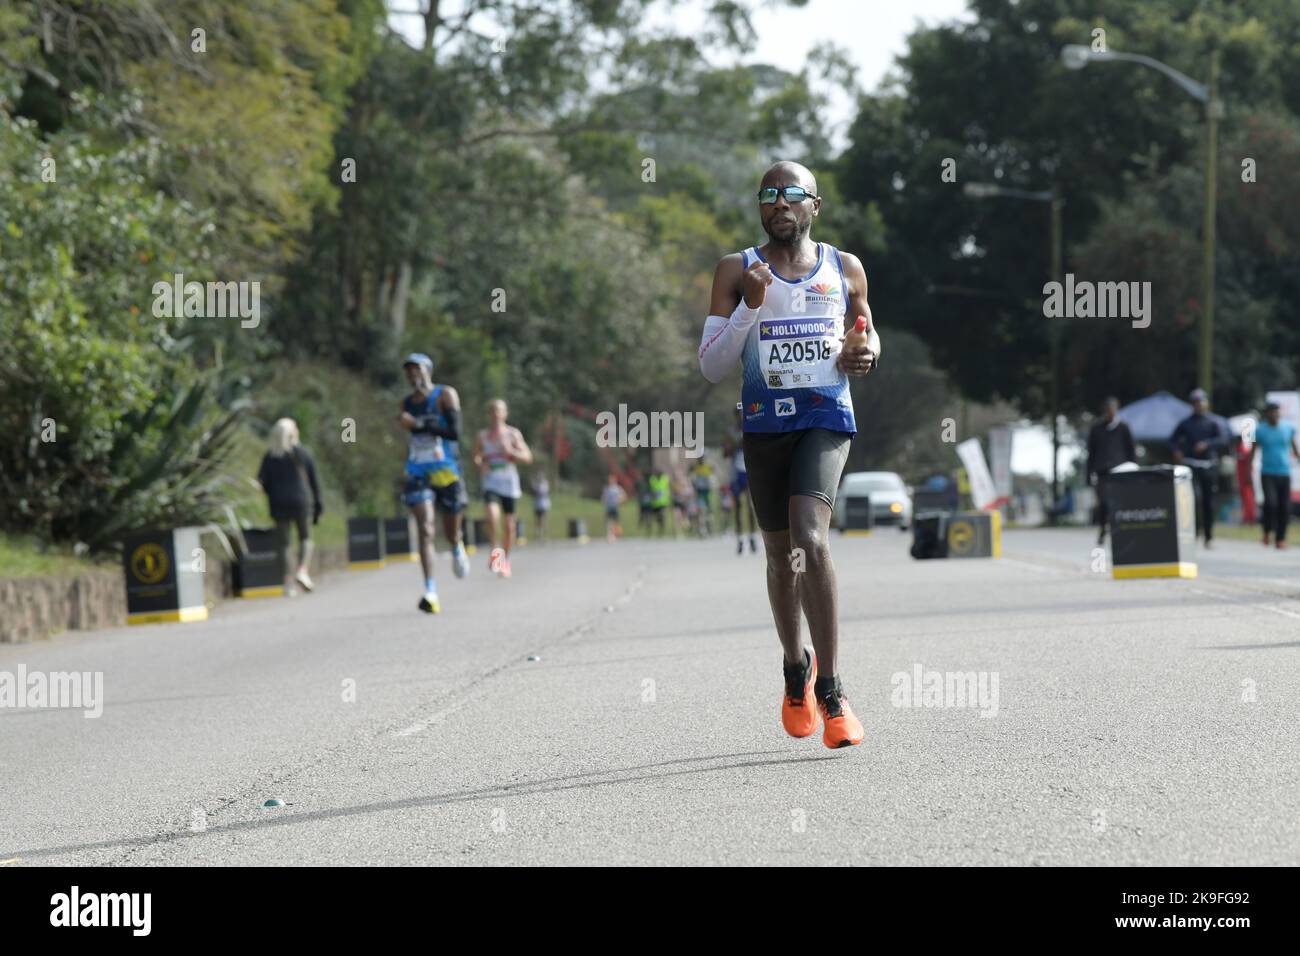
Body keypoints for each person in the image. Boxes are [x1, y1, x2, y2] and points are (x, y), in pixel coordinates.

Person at [698, 160, 879, 749]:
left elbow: (866, 332)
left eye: (792, 195)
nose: (780, 204)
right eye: (769, 196)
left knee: (812, 538)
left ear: (814, 206)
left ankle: (832, 691)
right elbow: (712, 366)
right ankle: (793, 669)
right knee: (781, 555)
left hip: (826, 417)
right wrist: (749, 307)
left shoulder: (844, 267)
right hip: (764, 424)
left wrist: (865, 352)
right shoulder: (736, 269)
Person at [397, 353, 469, 614]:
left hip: (446, 471)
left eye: (416, 369)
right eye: (408, 371)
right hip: (418, 471)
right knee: (425, 529)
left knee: (451, 530)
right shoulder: (405, 403)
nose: (412, 375)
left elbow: (455, 432)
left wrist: (418, 424)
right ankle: (430, 590)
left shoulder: (444, 395)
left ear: (428, 370)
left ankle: (456, 546)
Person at [256, 418, 322, 597]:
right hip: (301, 501)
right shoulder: (302, 453)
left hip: (278, 504)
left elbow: (262, 483)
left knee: (284, 544)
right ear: (293, 433)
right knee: (306, 538)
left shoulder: (270, 456)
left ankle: (288, 583)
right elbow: (314, 481)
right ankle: (302, 570)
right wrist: (318, 505)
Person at [473, 398, 533, 578]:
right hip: (491, 480)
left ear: (505, 414)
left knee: (509, 526)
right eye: (492, 410)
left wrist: (512, 452)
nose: (496, 414)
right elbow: (476, 456)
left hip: (508, 482)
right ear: (489, 414)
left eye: (499, 410)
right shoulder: (482, 436)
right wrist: (479, 463)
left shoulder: (513, 434)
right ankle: (495, 549)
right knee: (491, 515)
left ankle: (505, 561)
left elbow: (528, 457)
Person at [1171, 388, 1229, 548]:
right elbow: (1173, 439)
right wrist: (1177, 451)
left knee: (1208, 502)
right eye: (1195, 402)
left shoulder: (1213, 422)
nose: (1198, 405)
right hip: (1191, 465)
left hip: (1209, 466)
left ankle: (1209, 536)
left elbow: (1223, 439)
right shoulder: (1186, 423)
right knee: (1194, 499)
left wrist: (1207, 444)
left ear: (1206, 403)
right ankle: (1194, 533)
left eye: (1201, 401)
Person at [1085, 397, 1137, 545]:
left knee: (1120, 502)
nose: (1110, 413)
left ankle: (1119, 530)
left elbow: (1131, 451)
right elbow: (1091, 453)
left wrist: (1134, 470)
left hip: (1120, 472)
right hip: (1102, 472)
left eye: (1112, 409)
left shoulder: (1124, 427)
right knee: (1103, 503)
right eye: (1107, 410)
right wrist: (1088, 475)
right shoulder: (1096, 428)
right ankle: (1103, 528)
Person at [1251, 401, 1299, 549]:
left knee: (1285, 507)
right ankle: (1267, 531)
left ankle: (1281, 538)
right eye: (1271, 411)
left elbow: (1294, 447)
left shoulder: (1288, 429)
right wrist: (1248, 471)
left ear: (1279, 413)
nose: (1274, 414)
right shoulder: (1259, 431)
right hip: (1267, 472)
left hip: (1284, 472)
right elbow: (1253, 451)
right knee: (1271, 504)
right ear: (1267, 414)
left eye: (1276, 411)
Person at [726, 405, 759, 554]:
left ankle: (752, 537)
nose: (740, 415)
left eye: (742, 412)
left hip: (750, 470)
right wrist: (733, 445)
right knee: (738, 506)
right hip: (736, 471)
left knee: (751, 505)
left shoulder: (752, 426)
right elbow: (724, 452)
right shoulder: (731, 431)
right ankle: (740, 539)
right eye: (738, 413)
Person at [691, 458, 715, 536]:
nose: (701, 460)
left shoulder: (708, 467)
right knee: (701, 512)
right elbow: (692, 478)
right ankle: (702, 530)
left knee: (709, 512)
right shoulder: (696, 468)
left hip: (707, 493)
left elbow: (713, 476)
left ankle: (710, 529)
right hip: (700, 493)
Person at [601, 474, 627, 543]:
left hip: (615, 507)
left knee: (616, 522)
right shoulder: (607, 488)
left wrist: (619, 500)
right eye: (610, 479)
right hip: (609, 507)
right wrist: (604, 501)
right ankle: (610, 535)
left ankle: (616, 534)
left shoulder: (617, 488)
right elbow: (604, 497)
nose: (611, 481)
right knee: (608, 522)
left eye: (612, 479)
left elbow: (624, 496)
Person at [648, 469, 670, 535]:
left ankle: (662, 526)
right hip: (655, 502)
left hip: (663, 502)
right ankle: (660, 524)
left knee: (662, 514)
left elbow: (668, 487)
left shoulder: (665, 478)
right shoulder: (652, 479)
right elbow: (651, 488)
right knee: (656, 516)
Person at [531, 472, 551, 544]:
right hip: (537, 503)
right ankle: (538, 534)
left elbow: (546, 492)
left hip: (543, 504)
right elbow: (533, 493)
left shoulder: (545, 483)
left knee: (543, 519)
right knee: (537, 519)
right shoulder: (535, 484)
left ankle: (544, 534)